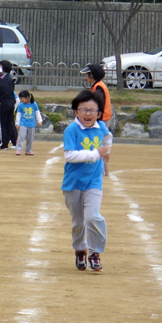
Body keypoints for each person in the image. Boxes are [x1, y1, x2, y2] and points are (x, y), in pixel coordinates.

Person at [63, 89, 112, 272]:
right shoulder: (71, 130)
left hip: (93, 182)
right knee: (78, 223)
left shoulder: (101, 127)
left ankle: (94, 252)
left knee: (92, 217)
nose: (88, 114)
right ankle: (79, 249)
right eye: (83, 109)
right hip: (73, 183)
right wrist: (95, 154)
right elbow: (69, 155)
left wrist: (106, 150)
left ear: (99, 113)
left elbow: (108, 136)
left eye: (92, 110)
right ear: (76, 112)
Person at [0, 62, 17, 149]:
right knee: (8, 123)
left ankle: (2, 144)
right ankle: (7, 142)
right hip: (11, 102)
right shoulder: (7, 80)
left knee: (1, 124)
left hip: (3, 103)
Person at [82, 63, 113, 128]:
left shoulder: (99, 87)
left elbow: (100, 103)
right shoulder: (97, 85)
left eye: (87, 74)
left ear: (91, 75)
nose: (86, 77)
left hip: (102, 117)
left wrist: (97, 117)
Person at [13, 90, 41, 156]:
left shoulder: (34, 104)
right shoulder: (21, 105)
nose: (21, 100)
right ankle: (18, 149)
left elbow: (37, 113)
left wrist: (39, 121)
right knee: (21, 137)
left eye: (22, 98)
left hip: (32, 124)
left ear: (27, 97)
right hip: (23, 123)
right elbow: (18, 115)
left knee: (30, 138)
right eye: (20, 98)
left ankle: (28, 150)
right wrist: (17, 123)